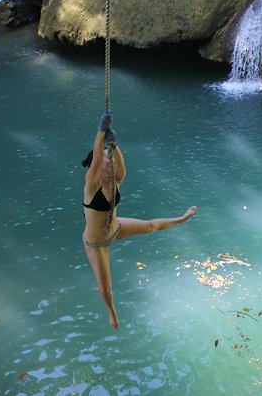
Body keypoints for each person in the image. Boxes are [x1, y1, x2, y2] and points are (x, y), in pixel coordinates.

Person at [81, 112, 198, 329]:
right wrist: (100, 131)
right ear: (96, 168)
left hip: (116, 228)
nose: (108, 160)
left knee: (151, 226)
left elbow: (122, 168)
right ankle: (112, 313)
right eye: (106, 159)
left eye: (110, 158)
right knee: (106, 288)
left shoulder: (116, 181)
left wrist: (114, 145)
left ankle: (181, 219)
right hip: (96, 243)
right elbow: (97, 157)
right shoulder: (91, 187)